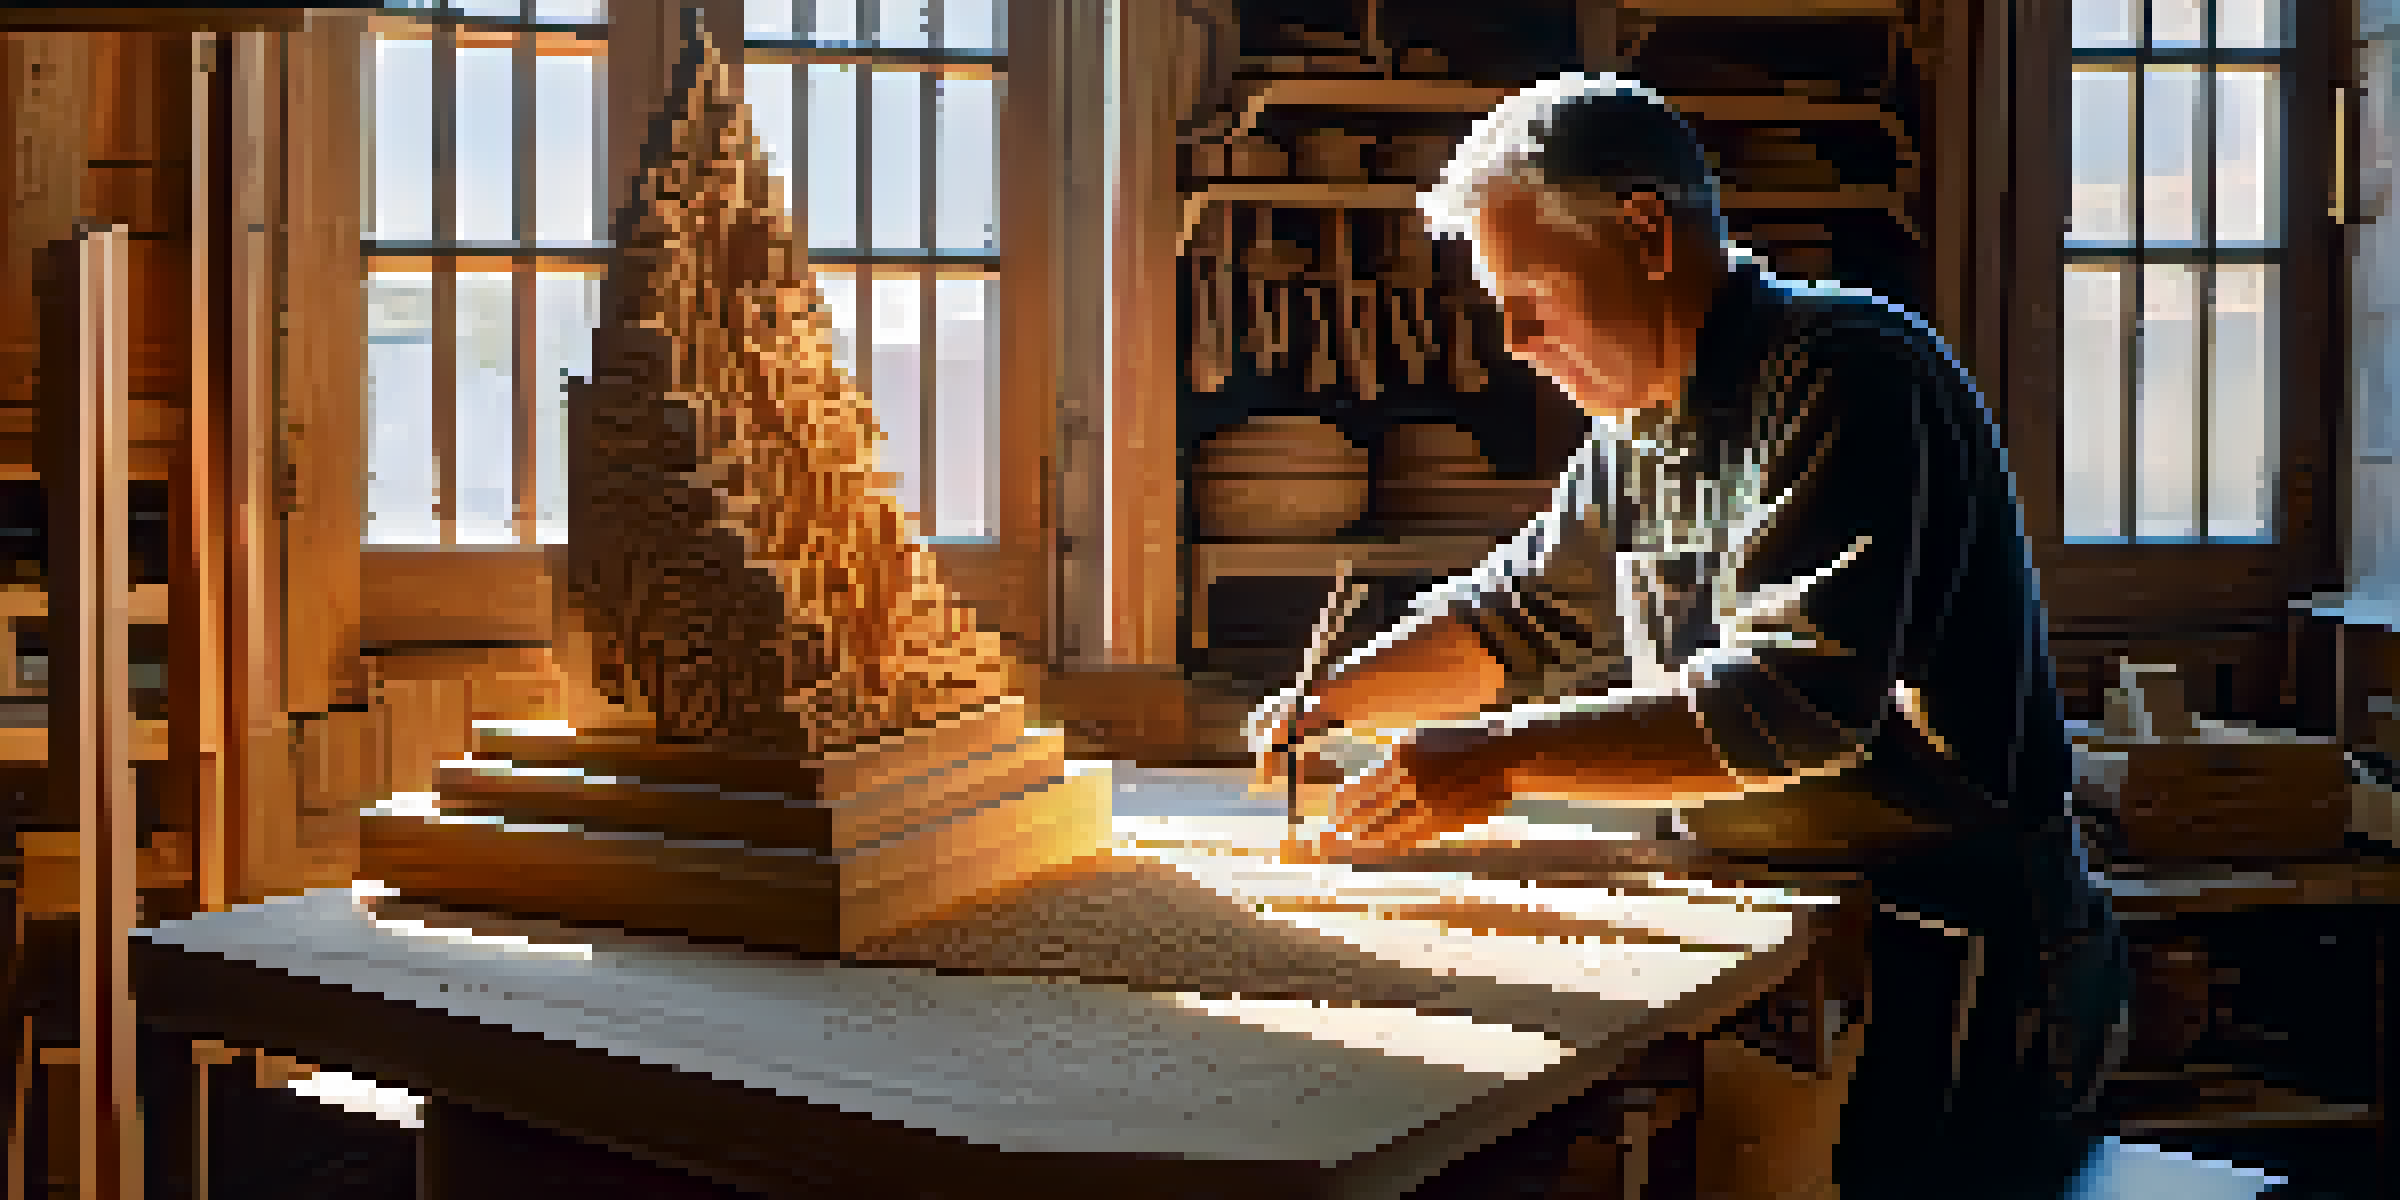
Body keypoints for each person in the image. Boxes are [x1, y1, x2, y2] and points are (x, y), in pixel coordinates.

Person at [1246, 74, 2130, 1199]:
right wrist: (1334, 700)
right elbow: (1512, 618)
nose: (1515, 340)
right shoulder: (1633, 435)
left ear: (1648, 234)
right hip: (1793, 931)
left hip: (1956, 948)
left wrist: (1498, 761)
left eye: (1532, 294)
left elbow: (1794, 704)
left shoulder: (1849, 375)